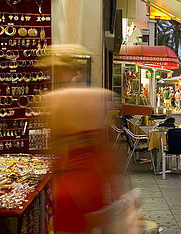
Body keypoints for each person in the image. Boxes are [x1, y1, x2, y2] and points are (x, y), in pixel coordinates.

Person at [44, 45, 131, 233]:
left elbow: (55, 149)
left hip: (70, 184)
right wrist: (116, 187)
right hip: (94, 182)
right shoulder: (100, 97)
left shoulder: (54, 100)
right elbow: (108, 151)